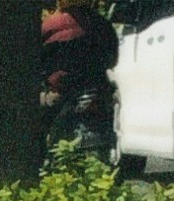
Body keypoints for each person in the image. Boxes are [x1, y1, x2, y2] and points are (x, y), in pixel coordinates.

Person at [40, 0, 117, 159]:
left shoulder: (48, 26)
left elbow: (38, 61)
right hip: (95, 88)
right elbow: (112, 58)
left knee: (38, 126)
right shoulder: (101, 24)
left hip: (60, 92)